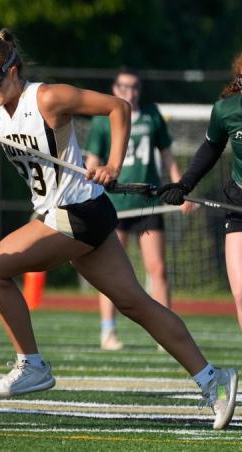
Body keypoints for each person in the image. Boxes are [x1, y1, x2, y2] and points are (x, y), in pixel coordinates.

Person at [0, 28, 237, 429]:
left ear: (12, 70)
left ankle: (32, 364)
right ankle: (212, 379)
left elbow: (118, 107)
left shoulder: (46, 97)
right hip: (65, 216)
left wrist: (112, 164)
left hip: (79, 211)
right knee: (137, 305)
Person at [85, 68, 188, 351]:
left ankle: (166, 334)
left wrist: (180, 188)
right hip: (114, 204)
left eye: (134, 87)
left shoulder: (152, 115)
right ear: (115, 87)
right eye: (123, 86)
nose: (128, 92)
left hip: (147, 203)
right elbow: (92, 160)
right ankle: (108, 331)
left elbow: (167, 155)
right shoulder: (104, 120)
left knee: (158, 268)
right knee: (110, 272)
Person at [159, 51, 242, 333]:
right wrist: (184, 185)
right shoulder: (226, 110)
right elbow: (210, 148)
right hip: (239, 202)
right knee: (241, 294)